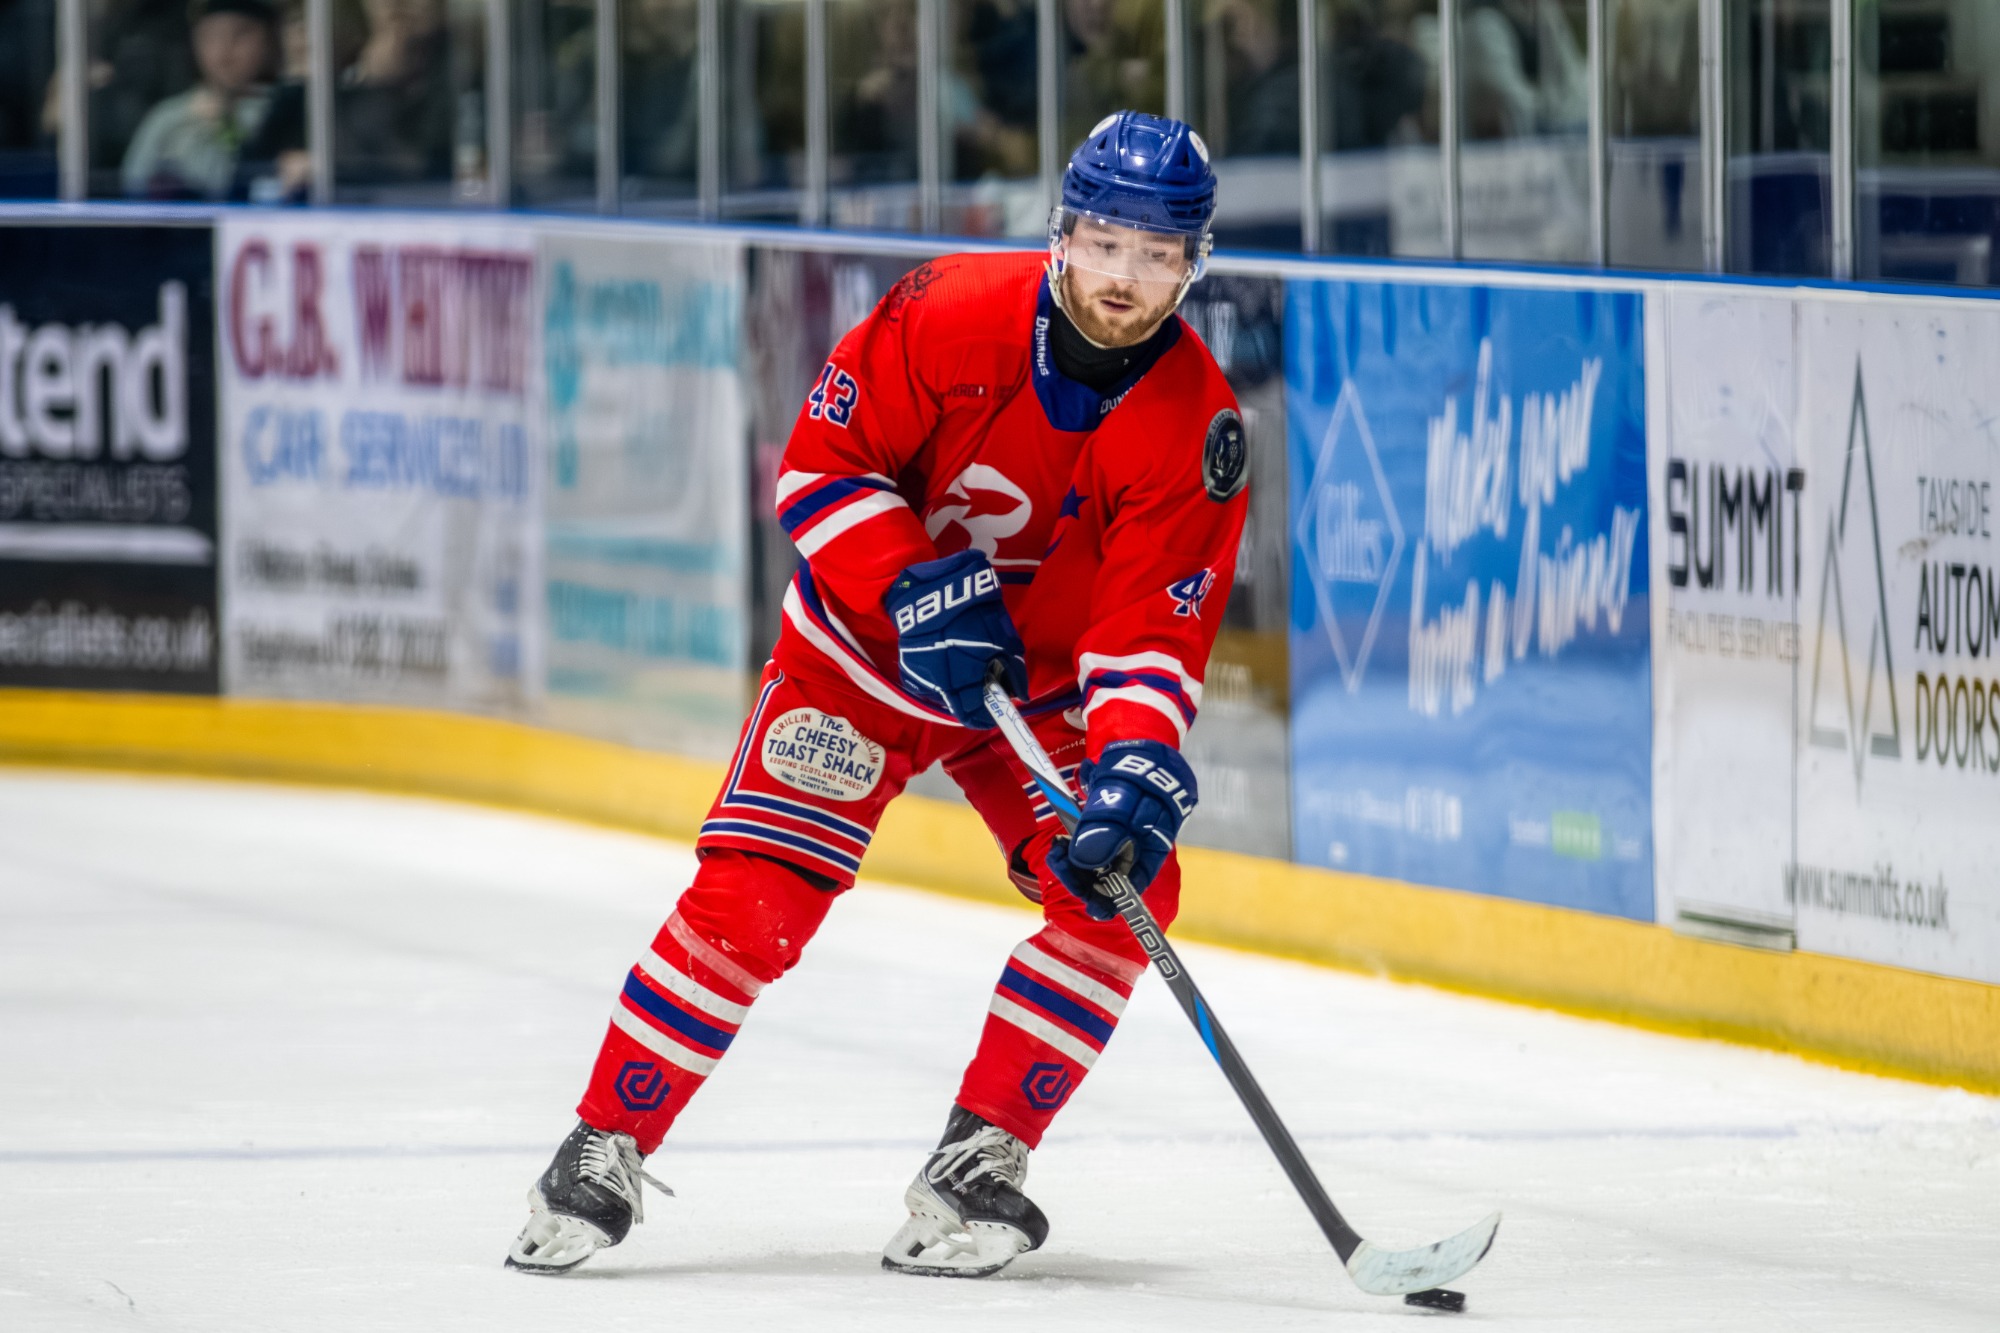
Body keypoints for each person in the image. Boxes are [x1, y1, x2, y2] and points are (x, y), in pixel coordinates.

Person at [504, 110, 1249, 1280]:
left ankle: (976, 1163)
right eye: (1106, 243)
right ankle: (600, 1145)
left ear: (1192, 265)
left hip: (1026, 694)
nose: (1125, 277)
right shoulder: (946, 310)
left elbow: (1149, 626)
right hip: (859, 656)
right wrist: (911, 586)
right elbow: (818, 466)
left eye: (1157, 255)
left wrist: (1133, 761)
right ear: (1061, 234)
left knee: (1123, 883)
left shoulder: (1195, 423)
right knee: (757, 897)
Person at [120, 0, 278, 199]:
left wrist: (226, 121)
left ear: (268, 41)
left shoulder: (282, 110)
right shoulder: (169, 115)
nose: (224, 53)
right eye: (211, 38)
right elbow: (133, 185)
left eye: (240, 35)